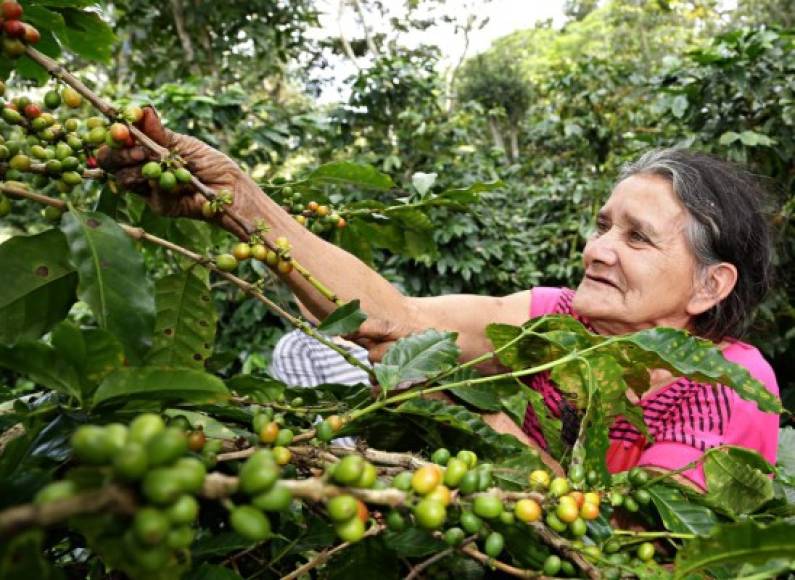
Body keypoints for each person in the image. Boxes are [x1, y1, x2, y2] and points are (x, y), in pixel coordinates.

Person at [100, 109, 780, 489]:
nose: (597, 250)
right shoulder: (556, 318)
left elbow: (634, 550)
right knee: (312, 351)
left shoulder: (730, 387)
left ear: (706, 286)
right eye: (602, 225)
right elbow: (395, 324)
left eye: (637, 239)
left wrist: (458, 411)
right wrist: (236, 200)